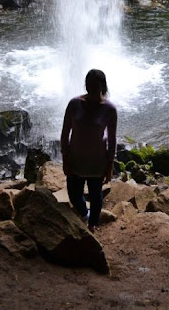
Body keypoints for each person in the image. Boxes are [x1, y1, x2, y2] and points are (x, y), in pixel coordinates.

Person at [60, 68, 117, 233]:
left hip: (97, 160)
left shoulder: (109, 109)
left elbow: (112, 139)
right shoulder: (74, 104)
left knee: (96, 194)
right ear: (86, 85)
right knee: (74, 194)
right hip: (75, 158)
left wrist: (110, 164)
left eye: (96, 85)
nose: (92, 88)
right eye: (89, 84)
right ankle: (85, 214)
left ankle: (92, 225)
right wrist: (65, 158)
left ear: (103, 86)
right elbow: (65, 133)